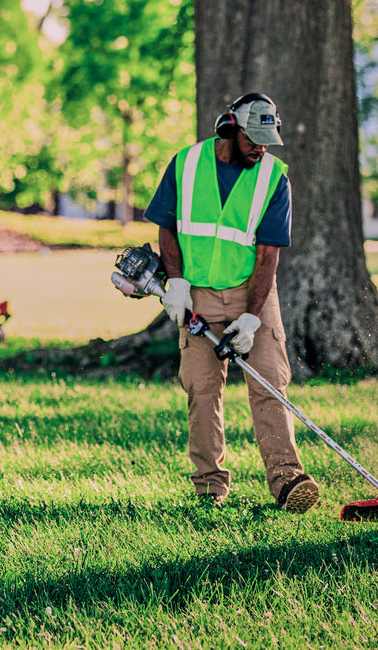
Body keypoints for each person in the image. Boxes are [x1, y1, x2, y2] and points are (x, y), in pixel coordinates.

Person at [142, 93, 320, 513]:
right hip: (197, 292)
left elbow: (268, 254)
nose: (261, 147)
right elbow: (168, 227)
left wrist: (251, 319)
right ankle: (209, 487)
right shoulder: (185, 164)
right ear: (230, 129)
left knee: (270, 384)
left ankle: (287, 480)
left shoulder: (274, 178)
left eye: (267, 139)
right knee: (202, 389)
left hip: (251, 290)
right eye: (253, 138)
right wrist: (179, 283)